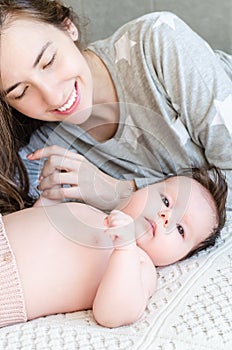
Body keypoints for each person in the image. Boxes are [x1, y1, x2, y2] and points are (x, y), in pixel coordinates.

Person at [0, 0, 231, 215]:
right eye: (21, 92)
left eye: (49, 61)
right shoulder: (43, 154)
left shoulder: (157, 42)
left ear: (67, 26)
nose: (53, 96)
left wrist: (121, 193)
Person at [0, 165, 227, 328]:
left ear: (180, 257)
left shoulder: (139, 265)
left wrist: (125, 248)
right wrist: (49, 201)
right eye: (166, 201)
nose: (165, 216)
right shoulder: (93, 213)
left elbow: (112, 314)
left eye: (180, 230)